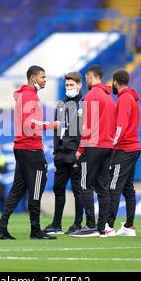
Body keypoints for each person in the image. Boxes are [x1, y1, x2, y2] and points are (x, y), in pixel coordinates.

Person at [0, 65, 59, 240]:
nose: (45, 80)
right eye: (42, 77)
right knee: (36, 187)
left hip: (21, 148)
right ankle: (35, 229)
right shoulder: (30, 96)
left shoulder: (23, 95)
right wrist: (52, 125)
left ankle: (1, 227)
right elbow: (30, 123)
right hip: (31, 148)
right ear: (33, 78)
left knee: (17, 189)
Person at [70, 65, 116, 238]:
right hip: (107, 146)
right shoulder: (109, 98)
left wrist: (80, 148)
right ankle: (102, 227)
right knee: (103, 188)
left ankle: (90, 225)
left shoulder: (91, 96)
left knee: (84, 185)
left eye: (87, 77)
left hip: (92, 146)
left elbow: (86, 125)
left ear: (90, 76)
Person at [44, 72, 85, 235]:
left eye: (72, 85)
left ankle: (77, 224)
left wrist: (80, 152)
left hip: (76, 154)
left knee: (78, 190)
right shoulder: (61, 105)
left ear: (79, 85)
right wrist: (56, 151)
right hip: (61, 154)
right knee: (58, 188)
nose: (69, 88)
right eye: (67, 85)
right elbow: (56, 129)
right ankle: (57, 224)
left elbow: (86, 131)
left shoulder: (85, 105)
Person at [106, 69, 141, 237]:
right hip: (132, 148)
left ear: (115, 82)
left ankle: (108, 225)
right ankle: (129, 226)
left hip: (124, 149)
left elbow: (121, 126)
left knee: (114, 186)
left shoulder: (125, 99)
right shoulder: (130, 97)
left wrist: (111, 144)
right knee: (128, 188)